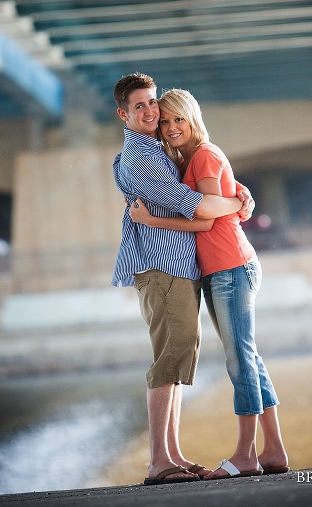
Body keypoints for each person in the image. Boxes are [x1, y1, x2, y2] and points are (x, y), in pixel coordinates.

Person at [129, 88, 289, 479]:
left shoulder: (203, 155)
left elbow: (204, 219)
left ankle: (246, 455)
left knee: (240, 361)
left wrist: (151, 221)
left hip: (231, 268)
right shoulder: (189, 159)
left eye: (177, 119)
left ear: (192, 118)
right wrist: (239, 198)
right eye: (164, 121)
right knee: (249, 358)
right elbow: (218, 204)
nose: (169, 127)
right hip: (222, 270)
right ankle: (274, 451)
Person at [112, 73, 254, 485]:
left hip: (176, 267)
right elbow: (195, 207)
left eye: (152, 102)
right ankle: (159, 462)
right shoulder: (143, 159)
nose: (150, 111)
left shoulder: (156, 150)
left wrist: (232, 193)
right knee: (169, 357)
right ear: (123, 114)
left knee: (179, 354)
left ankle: (171, 454)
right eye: (139, 106)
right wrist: (237, 201)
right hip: (163, 269)